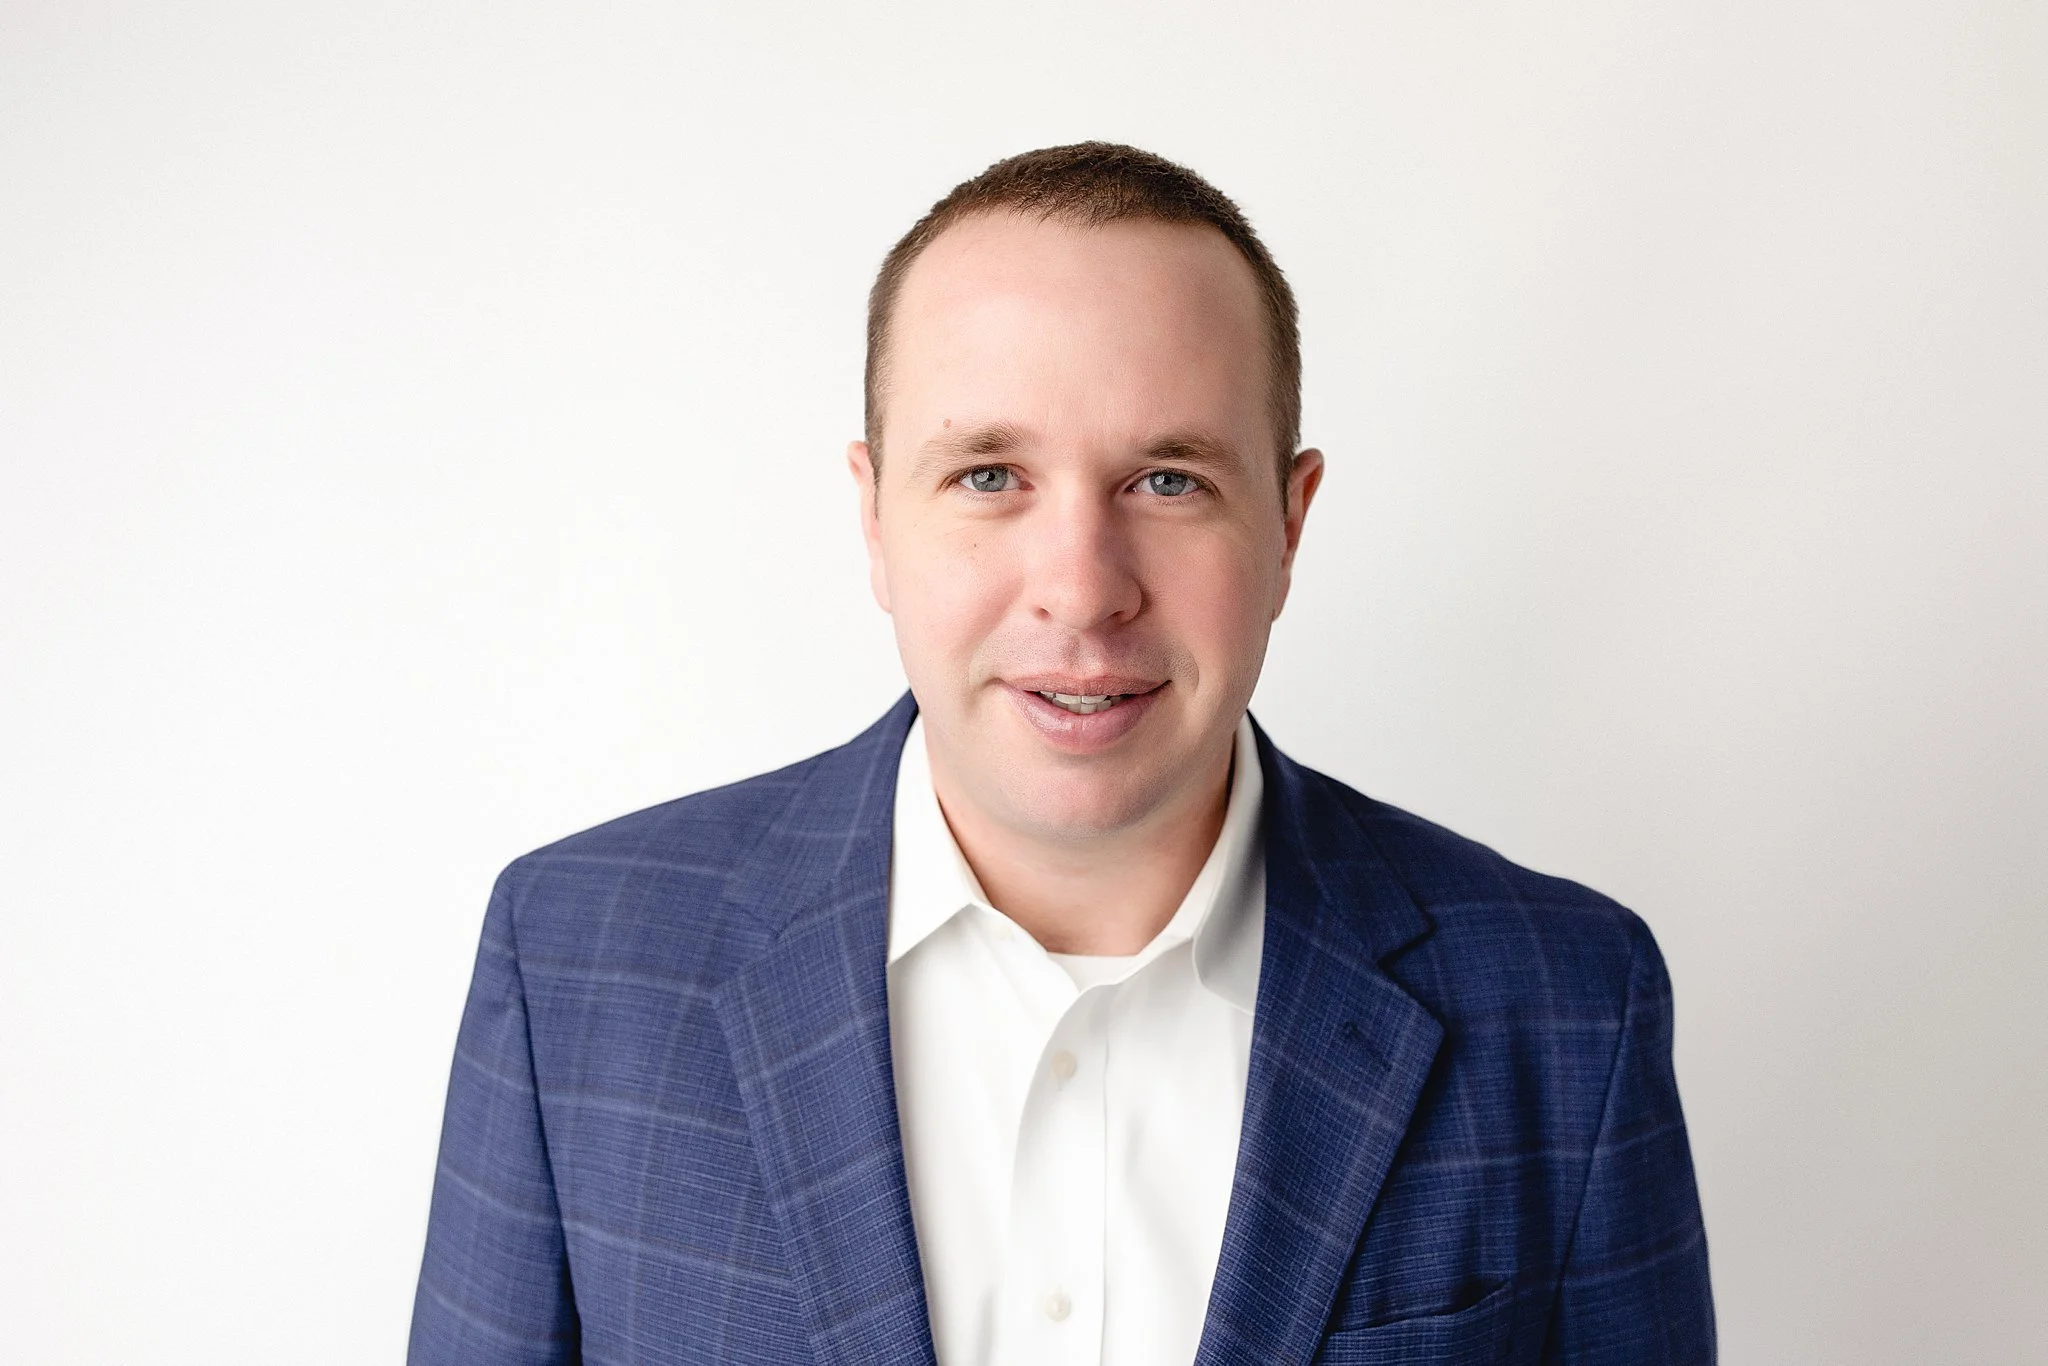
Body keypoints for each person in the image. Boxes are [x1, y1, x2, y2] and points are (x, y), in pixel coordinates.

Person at [408, 142, 1714, 1366]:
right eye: (988, 475)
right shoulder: (575, 961)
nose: (1081, 591)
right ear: (873, 516)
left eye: (1168, 480)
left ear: (1290, 522)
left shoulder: (1567, 1006)